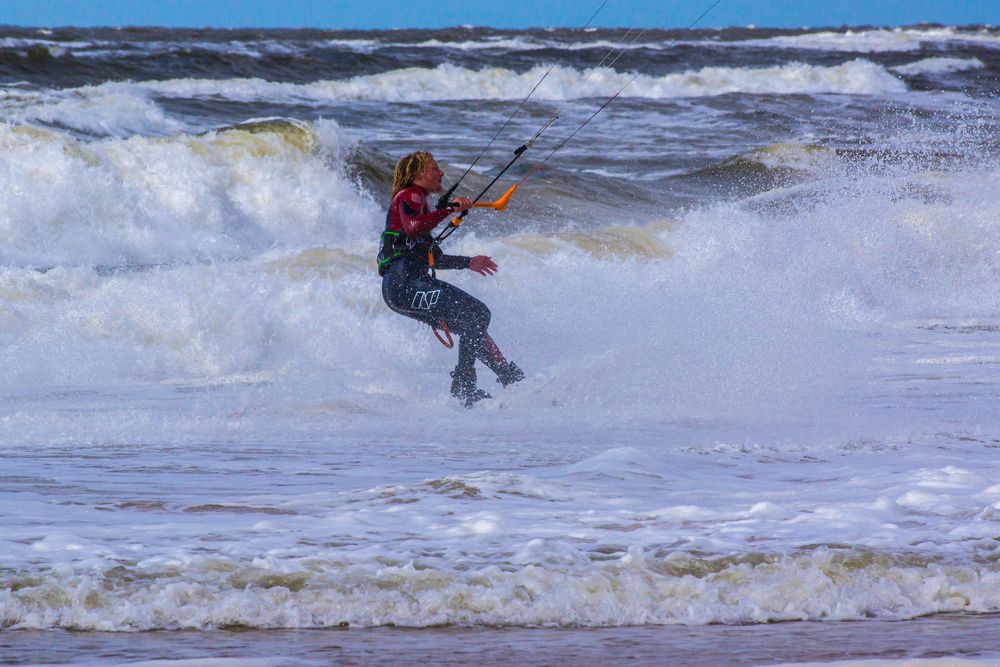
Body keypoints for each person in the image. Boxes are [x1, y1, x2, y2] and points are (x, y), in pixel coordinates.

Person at [377, 151, 524, 406]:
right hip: (404, 285)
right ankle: (465, 387)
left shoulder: (419, 205)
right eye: (435, 169)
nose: (441, 173)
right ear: (418, 175)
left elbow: (435, 257)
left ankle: (507, 376)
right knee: (477, 315)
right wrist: (448, 209)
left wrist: (469, 263)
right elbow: (414, 227)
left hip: (405, 288)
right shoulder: (410, 194)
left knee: (473, 324)